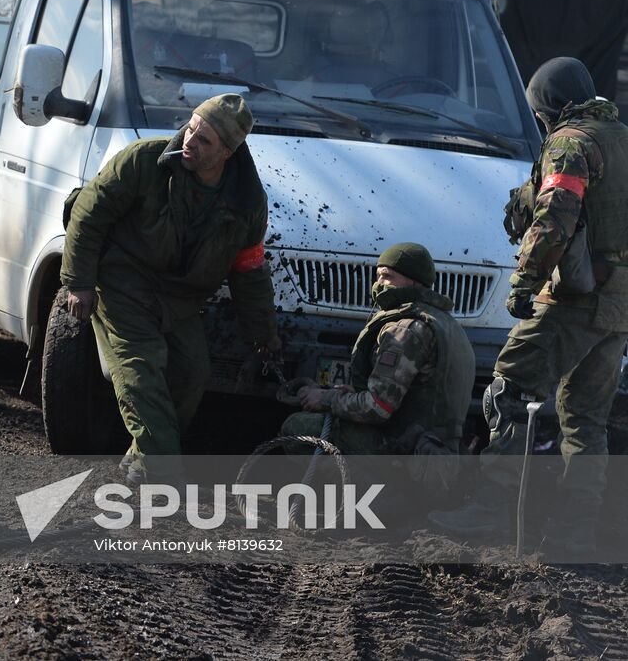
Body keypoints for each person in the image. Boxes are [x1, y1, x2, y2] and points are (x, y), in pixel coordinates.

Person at [430, 57, 628, 556]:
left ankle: (490, 510)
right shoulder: (622, 137)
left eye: (539, 115)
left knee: (510, 388)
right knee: (585, 420)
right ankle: (574, 535)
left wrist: (525, 282)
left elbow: (555, 217)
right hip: (619, 307)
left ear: (549, 109)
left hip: (576, 299)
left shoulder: (570, 143)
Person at [60, 94, 281, 480]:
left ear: (227, 153)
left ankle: (141, 461)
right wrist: (78, 283)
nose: (189, 141)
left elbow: (248, 270)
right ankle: (161, 473)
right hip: (122, 282)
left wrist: (263, 334)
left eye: (204, 139)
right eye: (190, 128)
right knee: (141, 372)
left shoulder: (247, 203)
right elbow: (88, 214)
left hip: (178, 298)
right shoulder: (144, 161)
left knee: (192, 373)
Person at [281, 243, 476, 456]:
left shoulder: (406, 330)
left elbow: (377, 407)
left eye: (388, 276)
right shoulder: (446, 323)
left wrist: (324, 399)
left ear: (414, 281)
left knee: (297, 427)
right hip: (435, 450)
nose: (379, 284)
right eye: (378, 276)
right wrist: (349, 394)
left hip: (404, 451)